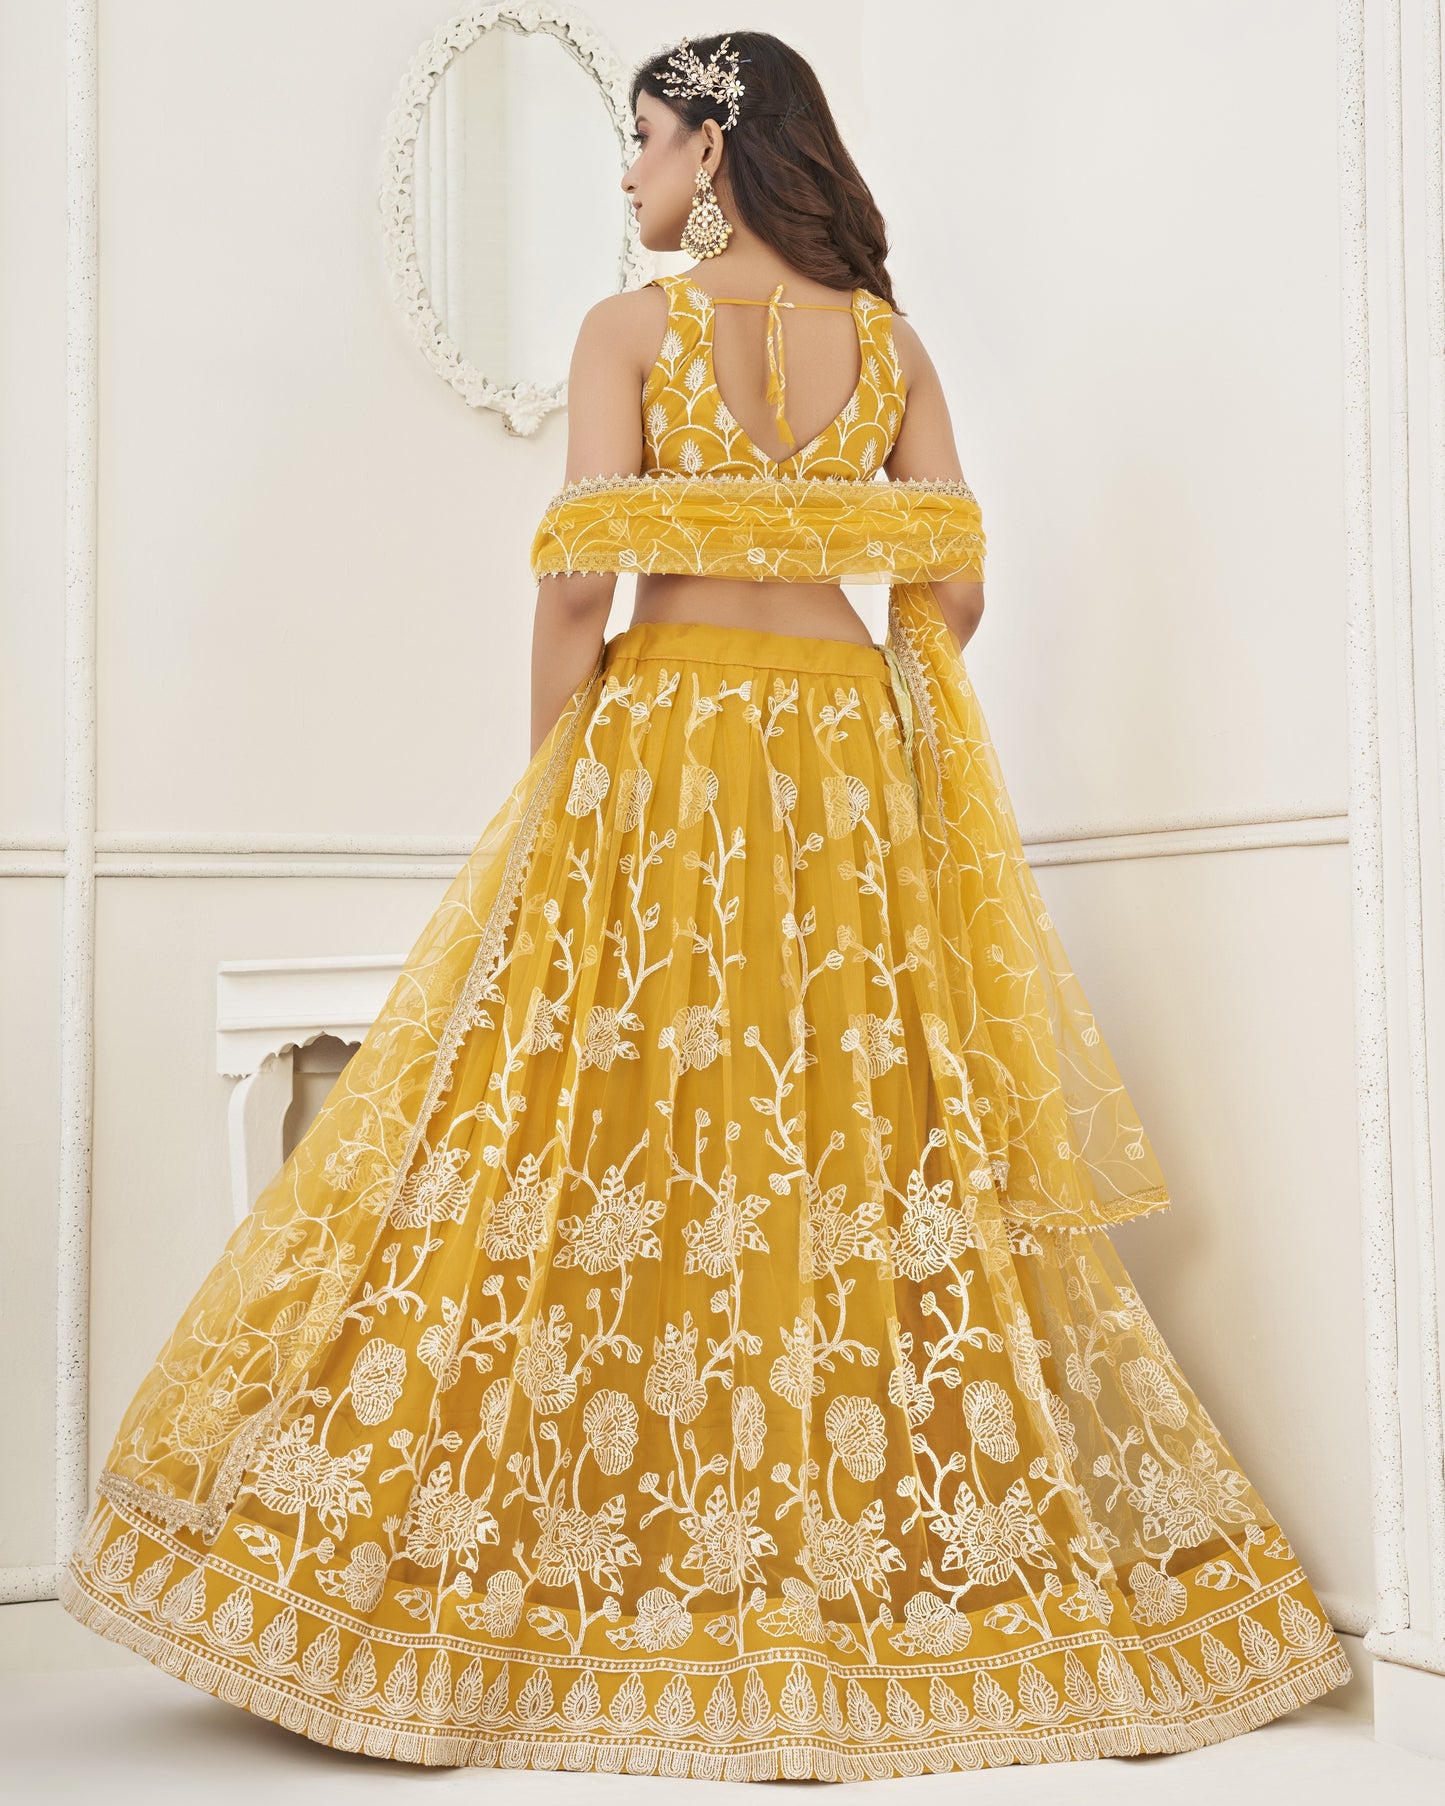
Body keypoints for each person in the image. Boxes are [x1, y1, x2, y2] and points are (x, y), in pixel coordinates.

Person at [60, 30, 1351, 1783]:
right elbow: (953, 588)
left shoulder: (627, 336)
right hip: (835, 769)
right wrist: (828, 682)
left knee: (591, 1129)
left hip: (657, 757)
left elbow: (581, 581)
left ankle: (518, 1570)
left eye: (643, 141)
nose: (628, 175)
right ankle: (858, 1566)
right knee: (846, 1132)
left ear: (714, 153)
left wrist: (548, 789)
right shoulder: (887, 345)